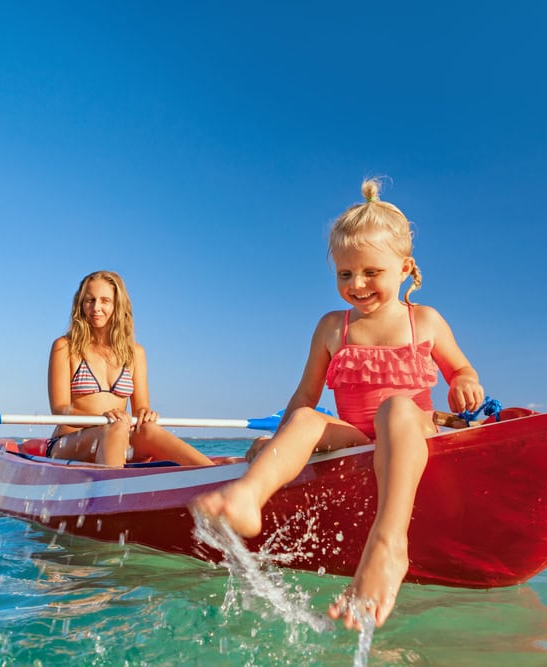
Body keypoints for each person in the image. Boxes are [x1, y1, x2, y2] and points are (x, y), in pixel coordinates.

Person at [192, 178, 484, 629]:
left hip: (412, 432)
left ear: (404, 268)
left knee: (395, 408)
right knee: (308, 418)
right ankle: (249, 495)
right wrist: (276, 445)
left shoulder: (424, 320)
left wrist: (465, 382)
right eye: (345, 274)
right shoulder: (333, 327)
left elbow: (461, 369)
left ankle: (389, 544)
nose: (357, 284)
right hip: (356, 440)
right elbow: (304, 397)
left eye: (371, 272)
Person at [44, 270, 214, 467]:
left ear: (118, 305)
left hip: (119, 436)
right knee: (113, 429)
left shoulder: (135, 353)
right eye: (90, 300)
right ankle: (113, 484)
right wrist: (101, 419)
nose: (96, 307)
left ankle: (215, 473)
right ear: (80, 304)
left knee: (148, 429)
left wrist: (146, 413)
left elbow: (140, 407)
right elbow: (60, 409)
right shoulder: (65, 346)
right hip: (69, 443)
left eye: (105, 301)